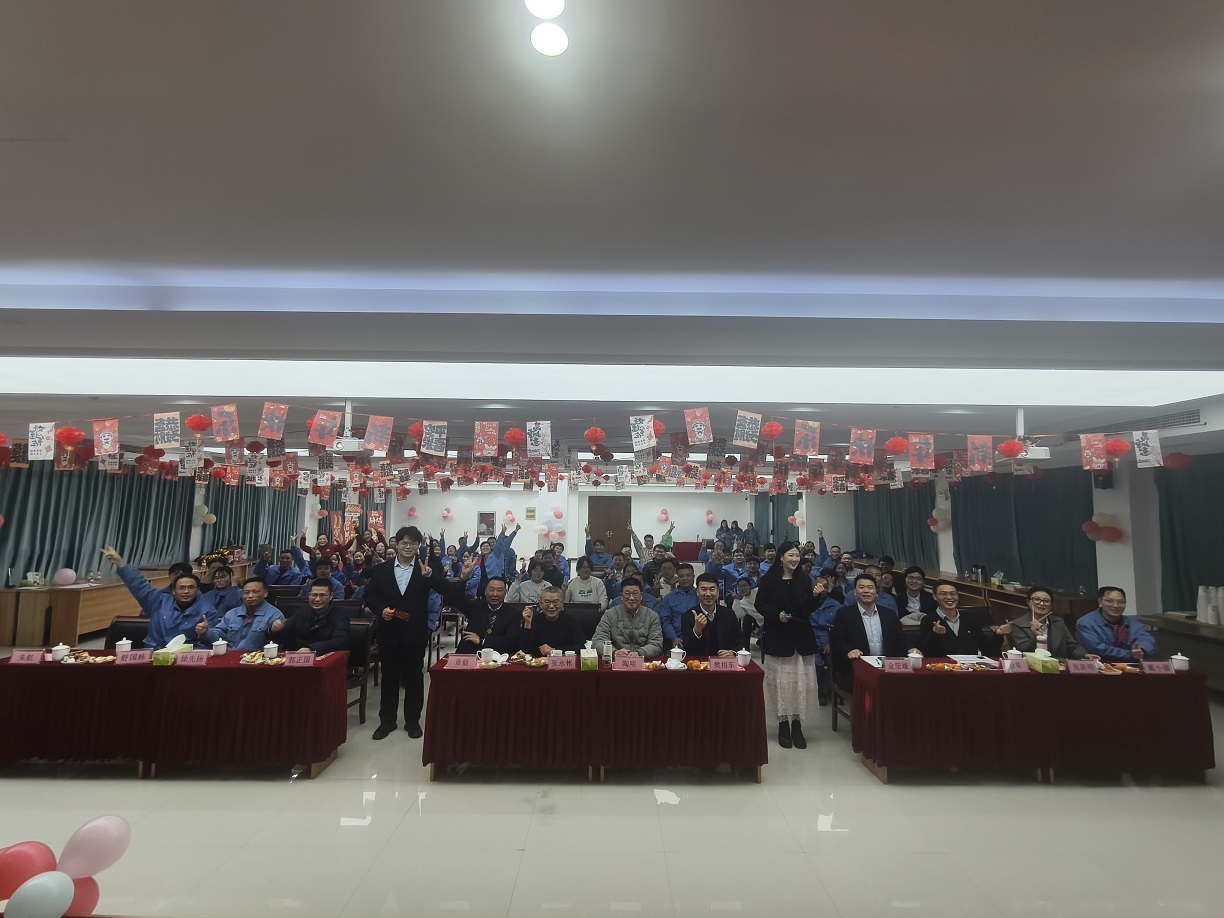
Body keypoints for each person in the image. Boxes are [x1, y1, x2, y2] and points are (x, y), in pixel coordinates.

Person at [362, 526, 459, 740]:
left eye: (413, 543)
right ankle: (387, 721)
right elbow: (369, 595)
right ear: (396, 544)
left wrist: (431, 575)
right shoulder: (383, 569)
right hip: (389, 631)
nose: (408, 547)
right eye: (404, 543)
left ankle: (412, 721)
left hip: (415, 632)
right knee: (389, 677)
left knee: (414, 677)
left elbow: (447, 590)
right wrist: (380, 610)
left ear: (418, 546)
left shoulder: (425, 568)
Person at [756, 541, 819, 750]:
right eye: (790, 555)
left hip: (801, 638)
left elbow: (808, 608)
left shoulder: (804, 579)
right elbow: (760, 604)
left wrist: (817, 596)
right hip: (778, 638)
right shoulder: (769, 579)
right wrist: (776, 615)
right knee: (781, 683)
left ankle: (797, 725)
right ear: (781, 557)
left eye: (797, 556)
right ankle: (783, 725)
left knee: (800, 683)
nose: (795, 559)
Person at [105, 547, 219, 647]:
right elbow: (139, 585)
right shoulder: (159, 600)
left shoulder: (208, 610)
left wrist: (206, 633)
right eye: (181, 588)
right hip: (154, 653)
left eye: (191, 587)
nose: (186, 591)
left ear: (197, 589)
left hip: (185, 657)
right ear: (173, 591)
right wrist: (121, 564)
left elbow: (213, 642)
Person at [830, 573, 915, 691]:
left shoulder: (889, 614)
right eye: (861, 587)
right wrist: (849, 651)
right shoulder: (844, 614)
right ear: (854, 592)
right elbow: (838, 640)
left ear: (877, 593)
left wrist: (911, 648)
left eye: (870, 588)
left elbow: (900, 637)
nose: (866, 591)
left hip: (887, 667)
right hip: (857, 667)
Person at [1007, 586, 1095, 660]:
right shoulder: (1019, 624)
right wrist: (1038, 638)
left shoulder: (1059, 622)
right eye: (1037, 600)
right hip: (1033, 667)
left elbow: (1071, 645)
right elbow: (1022, 650)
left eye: (1046, 601)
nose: (1041, 604)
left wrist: (1084, 654)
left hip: (1059, 666)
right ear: (1028, 602)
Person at [1075, 586, 1157, 662]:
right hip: (1099, 666)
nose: (1115, 606)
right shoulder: (1085, 623)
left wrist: (1142, 650)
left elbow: (1147, 639)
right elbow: (1098, 649)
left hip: (1131, 668)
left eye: (1121, 602)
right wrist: (1131, 655)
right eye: (1109, 601)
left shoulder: (1133, 624)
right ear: (1100, 601)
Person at [917, 581, 997, 657]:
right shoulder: (928, 620)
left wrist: (998, 635)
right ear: (934, 596)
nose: (949, 597)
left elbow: (986, 647)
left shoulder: (970, 618)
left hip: (970, 664)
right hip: (942, 665)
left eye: (953, 594)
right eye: (943, 594)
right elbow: (925, 651)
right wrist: (936, 634)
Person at [205, 578, 286, 652]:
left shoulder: (275, 615)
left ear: (265, 593)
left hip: (257, 659)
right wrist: (206, 632)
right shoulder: (231, 614)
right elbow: (218, 637)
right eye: (246, 592)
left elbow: (279, 644)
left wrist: (275, 632)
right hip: (230, 656)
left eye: (255, 592)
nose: (250, 596)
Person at [591, 578, 664, 658]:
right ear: (621, 596)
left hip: (643, 661)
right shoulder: (609, 615)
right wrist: (614, 652)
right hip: (617, 660)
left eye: (635, 594)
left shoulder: (652, 616)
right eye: (627, 594)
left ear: (641, 596)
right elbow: (598, 641)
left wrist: (639, 653)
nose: (631, 598)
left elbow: (656, 644)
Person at [274, 578, 351, 654]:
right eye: (314, 595)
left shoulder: (341, 615)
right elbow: (285, 634)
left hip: (325, 657)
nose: (317, 599)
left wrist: (312, 649)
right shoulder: (301, 612)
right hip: (299, 656)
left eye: (322, 595)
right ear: (309, 595)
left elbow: (340, 641)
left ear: (331, 596)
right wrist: (275, 630)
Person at [681, 573, 742, 657]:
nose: (708, 594)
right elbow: (688, 651)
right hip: (700, 663)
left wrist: (733, 653)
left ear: (718, 592)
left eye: (712, 589)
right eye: (704, 589)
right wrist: (697, 630)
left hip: (724, 663)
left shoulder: (729, 614)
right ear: (697, 592)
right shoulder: (688, 616)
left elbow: (741, 643)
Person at [457, 576, 521, 654]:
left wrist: (482, 641)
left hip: (499, 656)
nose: (495, 594)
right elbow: (459, 600)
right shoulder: (476, 606)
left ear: (505, 593)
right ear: (485, 591)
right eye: (491, 590)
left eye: (499, 590)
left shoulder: (514, 613)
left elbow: (510, 641)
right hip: (472, 653)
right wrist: (462, 580)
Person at [518, 586, 587, 655]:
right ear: (540, 604)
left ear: (562, 603)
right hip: (538, 661)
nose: (551, 606)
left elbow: (581, 648)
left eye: (555, 602)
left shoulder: (572, 621)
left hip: (563, 661)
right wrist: (527, 624)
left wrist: (554, 651)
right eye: (547, 602)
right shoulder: (532, 621)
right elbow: (524, 650)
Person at [809, 572, 841, 705]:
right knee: (817, 664)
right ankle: (823, 692)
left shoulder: (836, 605)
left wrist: (831, 643)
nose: (822, 589)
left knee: (836, 664)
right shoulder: (807, 603)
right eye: (818, 586)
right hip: (811, 639)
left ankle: (822, 691)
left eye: (825, 587)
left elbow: (839, 627)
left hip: (829, 639)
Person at [659, 562, 698, 647]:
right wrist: (674, 638)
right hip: (677, 641)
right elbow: (665, 621)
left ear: (694, 577)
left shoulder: (700, 596)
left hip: (699, 639)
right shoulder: (668, 598)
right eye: (681, 576)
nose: (685, 578)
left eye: (688, 575)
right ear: (677, 578)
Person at [733, 577, 761, 646]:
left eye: (745, 585)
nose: (743, 588)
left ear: (750, 586)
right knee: (747, 619)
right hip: (759, 623)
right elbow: (739, 615)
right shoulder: (742, 602)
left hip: (769, 618)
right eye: (740, 586)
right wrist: (736, 599)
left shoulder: (758, 591)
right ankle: (746, 647)